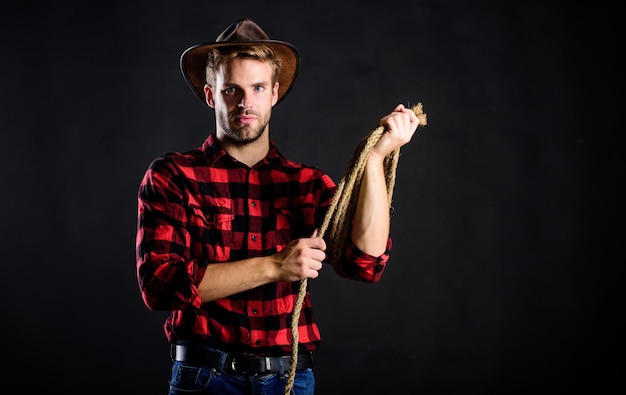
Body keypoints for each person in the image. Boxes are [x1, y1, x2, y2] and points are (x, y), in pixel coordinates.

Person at [135, 18, 419, 395]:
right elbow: (159, 285)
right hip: (205, 378)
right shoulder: (173, 175)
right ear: (210, 95)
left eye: (257, 88)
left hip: (290, 380)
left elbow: (365, 263)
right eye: (231, 90)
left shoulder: (308, 184)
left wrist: (374, 160)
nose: (245, 103)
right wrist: (274, 266)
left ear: (275, 93)